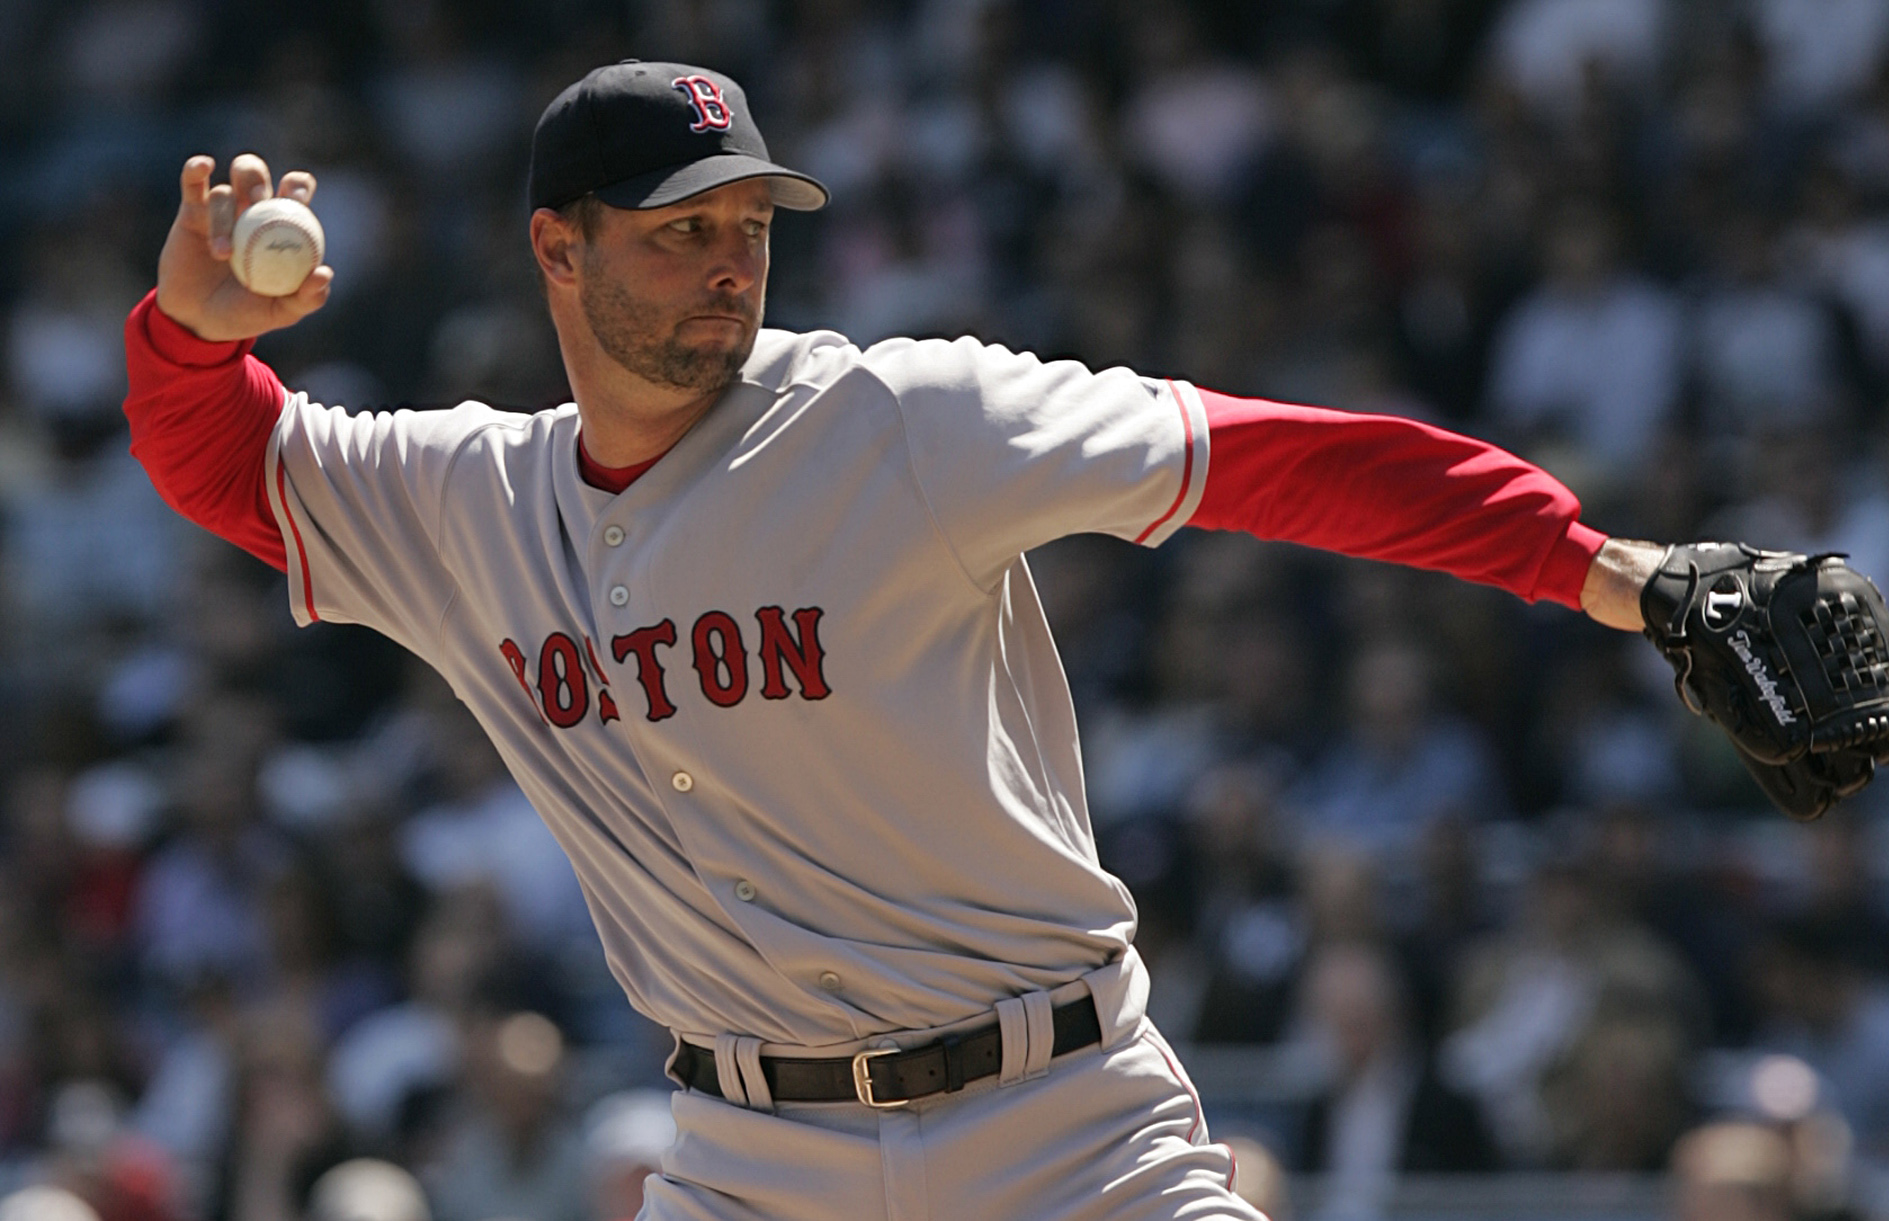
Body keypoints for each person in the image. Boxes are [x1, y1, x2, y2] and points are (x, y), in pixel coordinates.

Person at [126, 60, 1672, 1221]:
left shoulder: (902, 417)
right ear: (559, 249)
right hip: (749, 1157)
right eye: (679, 231)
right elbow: (228, 461)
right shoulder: (463, 501)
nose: (732, 260)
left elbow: (1278, 457)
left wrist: (1617, 573)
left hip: (1061, 1124)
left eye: (750, 222)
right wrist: (189, 333)